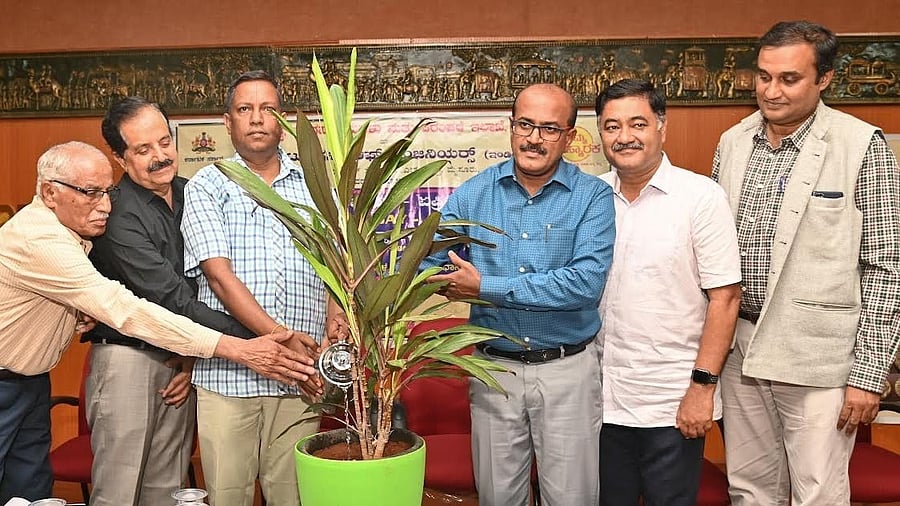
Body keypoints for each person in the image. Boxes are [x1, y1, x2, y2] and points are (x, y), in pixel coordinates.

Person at [0, 141, 317, 503]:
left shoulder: (78, 233)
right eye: (91, 193)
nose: (105, 206)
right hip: (5, 384)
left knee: (28, 493)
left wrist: (74, 314)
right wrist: (237, 349)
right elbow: (126, 309)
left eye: (107, 192)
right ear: (49, 192)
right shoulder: (41, 239)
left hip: (30, 381)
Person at [713, 20, 900, 505]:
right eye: (763, 76)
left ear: (824, 79)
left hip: (819, 358)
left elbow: (886, 267)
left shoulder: (862, 145)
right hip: (741, 350)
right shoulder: (733, 142)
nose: (771, 91)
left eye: (789, 78)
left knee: (816, 493)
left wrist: (868, 374)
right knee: (750, 489)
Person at [83, 97, 284, 505]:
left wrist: (194, 358)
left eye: (163, 142)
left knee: (169, 487)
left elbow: (204, 285)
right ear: (120, 158)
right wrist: (261, 336)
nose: (159, 157)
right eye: (143, 150)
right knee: (120, 489)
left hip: (182, 359)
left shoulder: (192, 192)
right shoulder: (118, 215)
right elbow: (173, 298)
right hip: (128, 361)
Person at [421, 83, 615, 506]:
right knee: (497, 497)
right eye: (525, 124)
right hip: (495, 372)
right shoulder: (474, 193)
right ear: (511, 128)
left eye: (549, 128)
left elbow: (584, 284)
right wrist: (439, 276)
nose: (534, 138)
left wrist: (484, 286)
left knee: (572, 498)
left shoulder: (593, 197)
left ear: (568, 136)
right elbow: (429, 264)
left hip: (568, 370)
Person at [181, 70, 330, 506]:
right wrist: (279, 340)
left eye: (268, 109)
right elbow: (219, 278)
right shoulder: (207, 186)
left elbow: (337, 270)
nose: (257, 118)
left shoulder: (315, 186)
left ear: (282, 121)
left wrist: (335, 323)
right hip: (231, 378)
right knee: (229, 496)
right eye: (245, 109)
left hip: (301, 376)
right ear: (227, 122)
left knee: (293, 497)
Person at [594, 79, 742, 505]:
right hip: (601, 401)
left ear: (662, 127)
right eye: (611, 126)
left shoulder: (700, 197)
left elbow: (725, 299)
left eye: (637, 123)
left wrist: (702, 388)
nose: (624, 137)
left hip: (672, 402)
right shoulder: (591, 198)